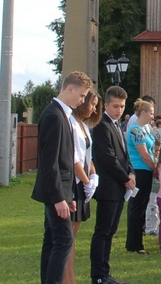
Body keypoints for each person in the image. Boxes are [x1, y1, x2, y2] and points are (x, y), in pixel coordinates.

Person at [32, 71, 92, 284]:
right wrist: (59, 198)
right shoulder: (54, 116)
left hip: (61, 191)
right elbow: (50, 163)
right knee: (64, 241)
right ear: (70, 89)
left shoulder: (62, 114)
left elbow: (64, 160)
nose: (83, 100)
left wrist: (68, 196)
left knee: (52, 241)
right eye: (82, 95)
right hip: (54, 192)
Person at [90, 86, 135, 284]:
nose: (119, 110)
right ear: (106, 105)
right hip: (108, 187)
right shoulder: (101, 125)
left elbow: (124, 155)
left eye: (122, 106)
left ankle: (105, 272)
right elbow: (107, 158)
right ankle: (98, 275)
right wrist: (126, 178)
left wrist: (131, 172)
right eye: (115, 106)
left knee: (110, 231)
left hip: (119, 186)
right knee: (103, 231)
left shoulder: (117, 125)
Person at [64, 88, 101, 284]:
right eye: (92, 104)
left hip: (84, 182)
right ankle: (66, 280)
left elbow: (88, 157)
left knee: (72, 236)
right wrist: (87, 182)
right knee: (66, 238)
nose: (94, 109)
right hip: (74, 184)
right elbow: (73, 158)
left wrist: (93, 176)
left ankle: (71, 279)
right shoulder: (70, 122)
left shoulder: (84, 126)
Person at [125, 99, 157, 254]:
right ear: (143, 112)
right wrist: (154, 167)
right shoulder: (136, 130)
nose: (152, 115)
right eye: (151, 112)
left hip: (146, 171)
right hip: (140, 170)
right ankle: (134, 243)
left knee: (141, 205)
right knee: (137, 207)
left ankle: (137, 240)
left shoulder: (145, 129)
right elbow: (144, 154)